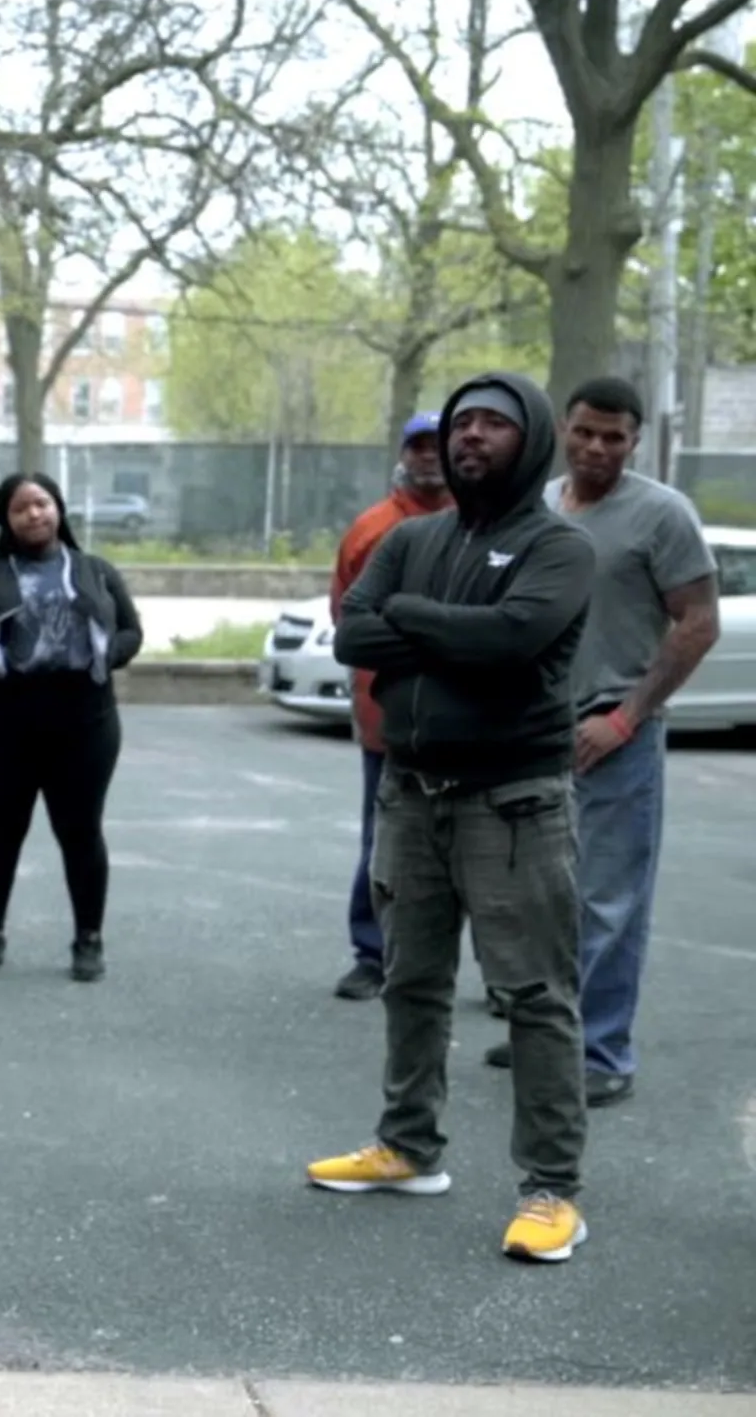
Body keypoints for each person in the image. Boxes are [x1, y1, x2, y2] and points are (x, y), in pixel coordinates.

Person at [307, 372, 597, 1265]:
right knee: (412, 978)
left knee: (535, 997)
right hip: (411, 788)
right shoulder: (412, 538)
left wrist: (413, 620)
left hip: (513, 802)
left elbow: (511, 642)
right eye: (462, 422)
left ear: (531, 440)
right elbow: (354, 636)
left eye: (492, 425)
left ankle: (553, 1190)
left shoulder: (559, 548)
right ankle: (408, 1148)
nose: (471, 438)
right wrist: (447, 629)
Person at [476, 377, 718, 1104]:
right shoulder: (540, 505)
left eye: (615, 437)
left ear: (634, 441)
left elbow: (698, 622)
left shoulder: (662, 514)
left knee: (608, 901)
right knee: (535, 898)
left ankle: (603, 1054)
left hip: (614, 734)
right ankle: (545, 1041)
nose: (598, 448)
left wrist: (628, 717)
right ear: (563, 431)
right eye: (585, 432)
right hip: (536, 731)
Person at [0, 473, 141, 982]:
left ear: (59, 509)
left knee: (80, 832)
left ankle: (88, 940)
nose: (34, 515)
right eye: (20, 509)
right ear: (5, 520)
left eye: (42, 504)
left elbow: (131, 631)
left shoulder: (94, 569)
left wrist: (107, 655)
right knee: (2, 830)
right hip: (2, 723)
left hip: (85, 722)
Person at [327, 412, 452, 1001]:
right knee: (384, 839)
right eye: (418, 447)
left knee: (483, 846)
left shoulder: (483, 526)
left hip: (473, 719)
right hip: (391, 718)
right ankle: (371, 955)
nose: (430, 457)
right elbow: (347, 618)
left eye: (439, 446)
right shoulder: (371, 529)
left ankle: (503, 974)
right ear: (403, 455)